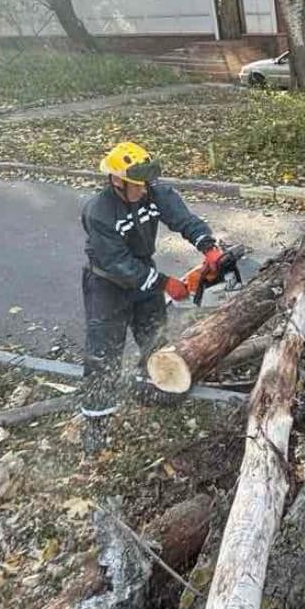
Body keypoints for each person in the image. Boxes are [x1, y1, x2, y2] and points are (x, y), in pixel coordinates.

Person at [79, 140, 222, 454]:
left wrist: (208, 246)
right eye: (137, 185)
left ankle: (150, 390)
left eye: (146, 183)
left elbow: (182, 218)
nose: (145, 190)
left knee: (154, 337)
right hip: (107, 284)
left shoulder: (153, 191)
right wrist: (164, 283)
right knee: (104, 353)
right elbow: (117, 263)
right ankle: (96, 422)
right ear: (118, 181)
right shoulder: (99, 212)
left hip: (143, 273)